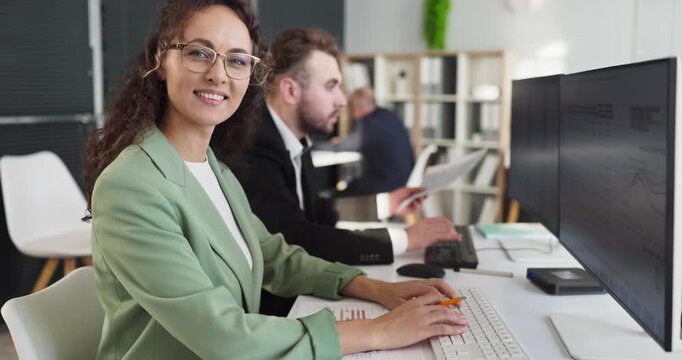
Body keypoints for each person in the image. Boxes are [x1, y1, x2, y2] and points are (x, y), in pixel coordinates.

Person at [83, 1, 467, 358]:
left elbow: (274, 256)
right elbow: (222, 335)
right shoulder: (131, 185)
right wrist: (377, 332)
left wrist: (377, 289)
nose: (218, 74)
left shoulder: (213, 168)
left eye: (236, 60)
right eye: (199, 53)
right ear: (160, 59)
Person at [224, 27, 460, 316]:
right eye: (331, 86)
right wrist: (403, 240)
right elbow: (297, 239)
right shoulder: (255, 146)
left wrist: (386, 202)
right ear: (290, 90)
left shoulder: (295, 139)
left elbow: (322, 213)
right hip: (271, 311)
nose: (342, 99)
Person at [325, 86, 415, 195]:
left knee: (333, 196)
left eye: (350, 106)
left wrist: (310, 146)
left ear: (357, 105)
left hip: (384, 185)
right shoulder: (389, 115)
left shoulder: (370, 124)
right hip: (403, 182)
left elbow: (340, 146)